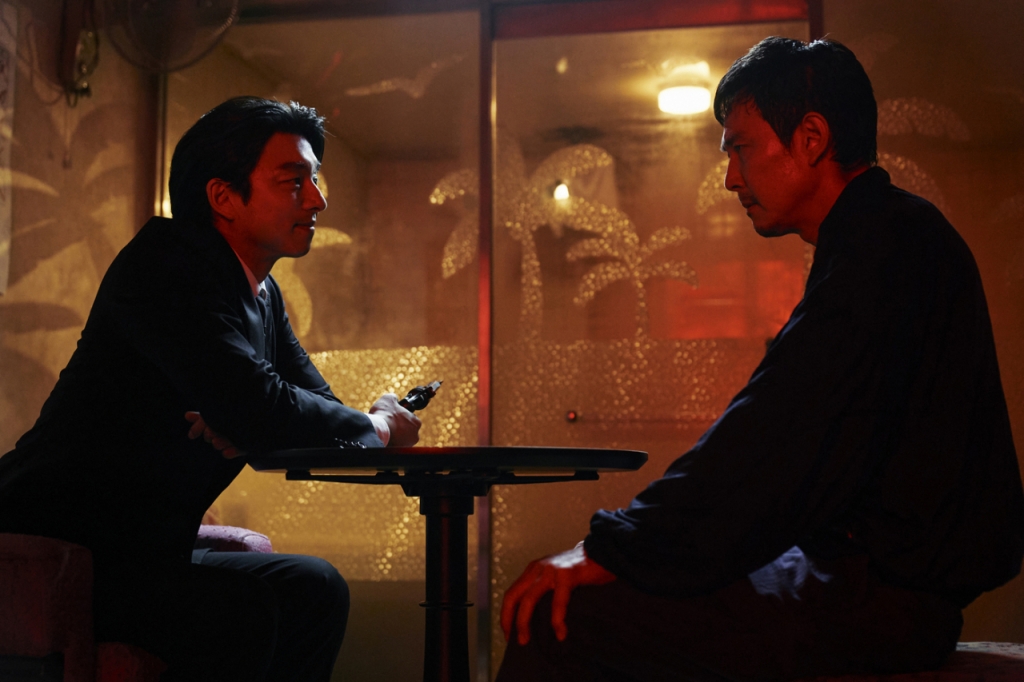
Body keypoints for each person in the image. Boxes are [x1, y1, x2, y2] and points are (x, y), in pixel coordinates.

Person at [497, 37, 1024, 682]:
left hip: (882, 600)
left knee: (562, 615)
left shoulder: (886, 247)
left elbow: (776, 433)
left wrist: (617, 547)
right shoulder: (891, 234)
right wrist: (637, 543)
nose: (730, 177)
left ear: (811, 138)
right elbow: (790, 430)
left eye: (741, 148)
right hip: (867, 581)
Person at [0, 97, 422, 681]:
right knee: (239, 612)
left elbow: (299, 408)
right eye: (293, 181)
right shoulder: (165, 263)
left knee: (315, 587)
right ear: (223, 196)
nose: (317, 199)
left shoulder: (262, 295)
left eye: (314, 180)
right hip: (58, 548)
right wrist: (372, 424)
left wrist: (259, 422)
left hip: (145, 554)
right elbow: (259, 403)